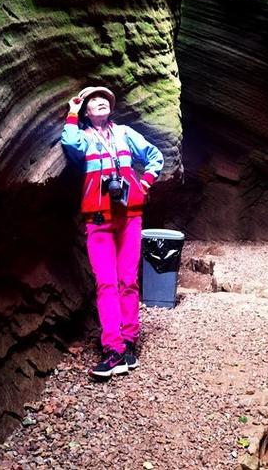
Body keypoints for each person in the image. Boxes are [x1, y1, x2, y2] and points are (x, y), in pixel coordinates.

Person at [61, 85, 164, 379]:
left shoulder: (125, 134)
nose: (100, 103)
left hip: (129, 217)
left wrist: (144, 183)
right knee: (106, 283)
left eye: (103, 100)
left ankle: (130, 341)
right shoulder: (84, 137)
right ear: (86, 111)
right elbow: (69, 143)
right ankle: (114, 349)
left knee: (128, 280)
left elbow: (155, 156)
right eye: (93, 101)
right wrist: (72, 110)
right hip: (98, 220)